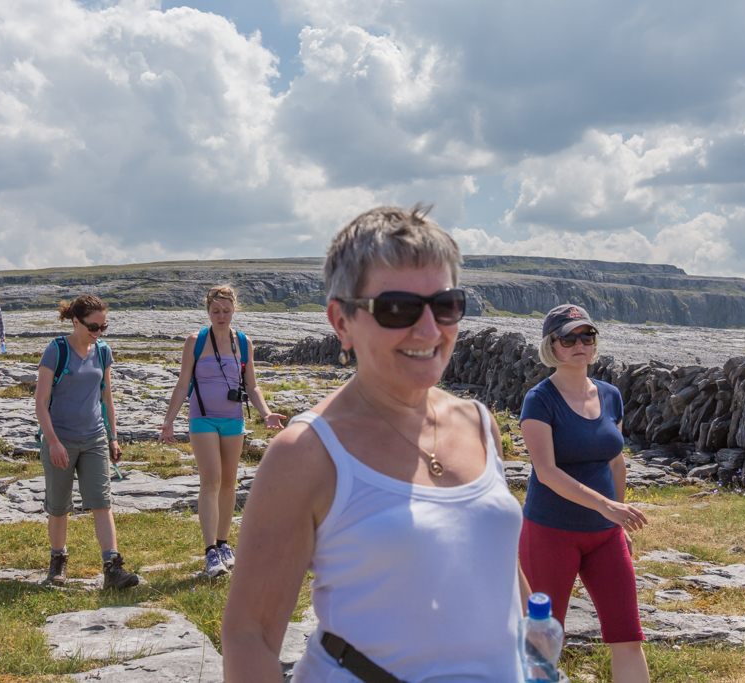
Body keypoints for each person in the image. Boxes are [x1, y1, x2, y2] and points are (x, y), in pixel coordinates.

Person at [221, 206, 532, 683]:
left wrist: (534, 636)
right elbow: (250, 638)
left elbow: (490, 560)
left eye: (445, 305)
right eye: (397, 308)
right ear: (341, 321)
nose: (429, 330)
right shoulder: (305, 453)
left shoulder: (479, 423)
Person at [519, 304, 650, 683]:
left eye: (586, 336)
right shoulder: (539, 400)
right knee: (542, 641)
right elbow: (546, 473)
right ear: (552, 347)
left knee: (627, 635)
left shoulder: (610, 395)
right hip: (550, 532)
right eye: (568, 338)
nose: (579, 344)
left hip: (606, 536)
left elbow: (615, 461)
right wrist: (607, 505)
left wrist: (618, 515)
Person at [158, 285, 285, 578]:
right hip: (202, 418)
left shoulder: (243, 342)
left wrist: (266, 414)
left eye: (226, 311)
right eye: (215, 311)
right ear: (208, 311)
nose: (221, 316)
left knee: (229, 483)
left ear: (234, 310)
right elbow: (182, 383)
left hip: (234, 420)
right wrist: (169, 421)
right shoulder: (195, 341)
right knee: (211, 481)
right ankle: (210, 552)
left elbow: (251, 385)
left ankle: (225, 544)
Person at [33, 294, 138, 590]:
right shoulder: (56, 350)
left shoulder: (102, 351)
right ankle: (58, 560)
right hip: (61, 439)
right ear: (76, 321)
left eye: (104, 326)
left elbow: (107, 397)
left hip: (94, 439)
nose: (99, 332)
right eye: (94, 326)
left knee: (102, 502)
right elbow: (40, 403)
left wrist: (113, 437)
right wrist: (52, 442)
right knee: (58, 506)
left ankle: (112, 568)